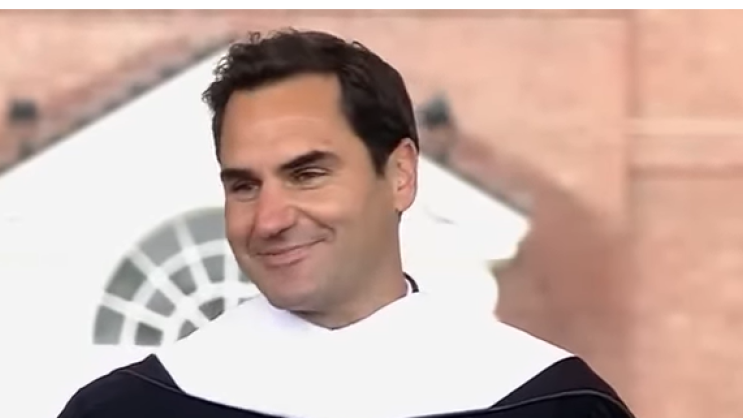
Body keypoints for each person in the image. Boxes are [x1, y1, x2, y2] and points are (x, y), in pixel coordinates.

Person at [57, 28, 635, 418]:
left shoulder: (549, 404)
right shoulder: (129, 409)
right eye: (244, 186)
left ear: (401, 174)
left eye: (307, 174)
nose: (270, 220)